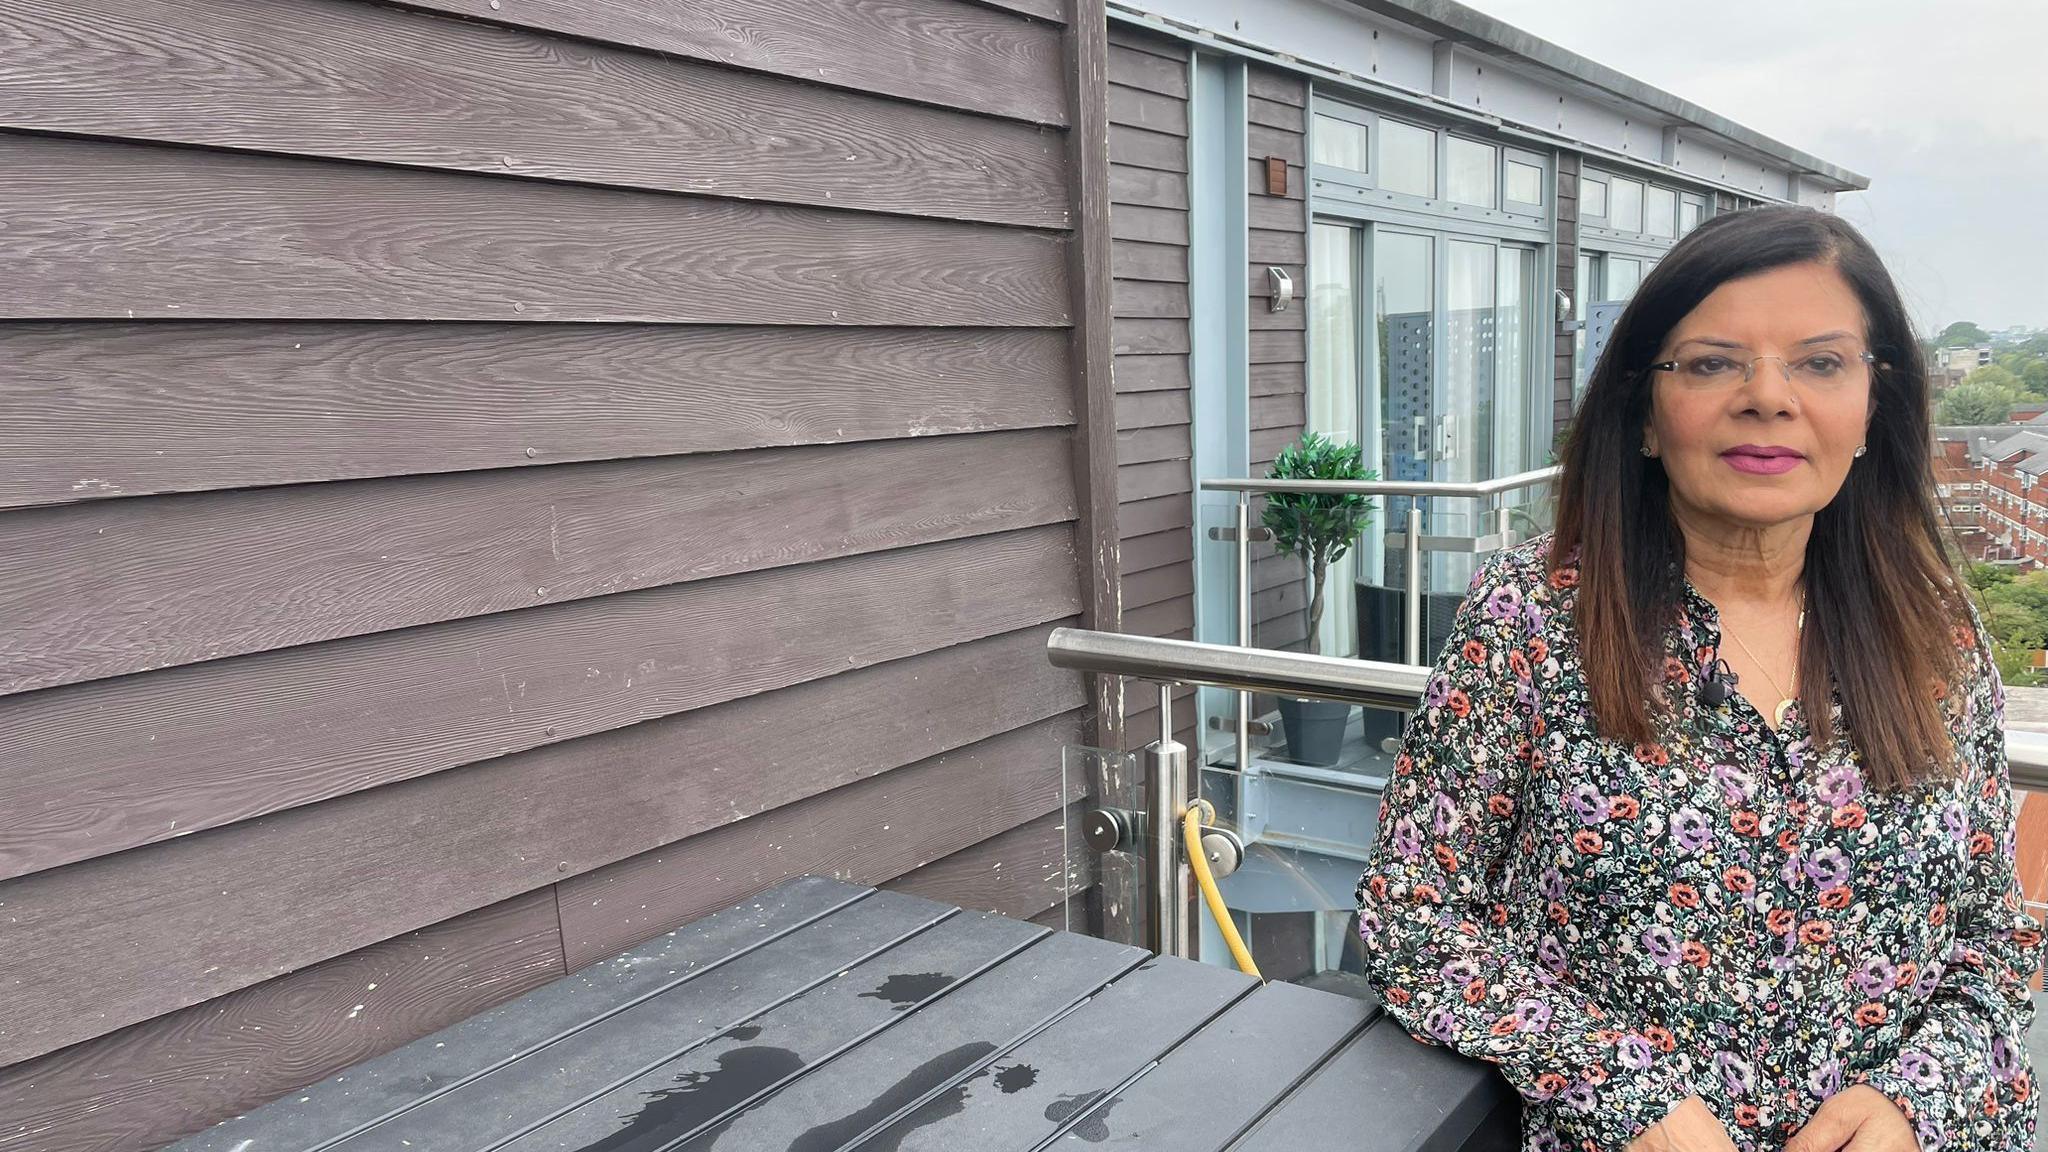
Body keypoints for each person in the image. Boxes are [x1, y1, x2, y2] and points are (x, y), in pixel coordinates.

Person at [1354, 205, 2042, 1152]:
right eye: (1714, 362)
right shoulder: (1533, 619)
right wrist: (1624, 1091)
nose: (1768, 397)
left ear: (1874, 406)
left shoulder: (1931, 628)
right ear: (1643, 411)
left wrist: (1914, 1101)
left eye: (1821, 361)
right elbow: (1412, 916)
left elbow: (1994, 935)